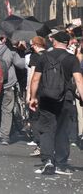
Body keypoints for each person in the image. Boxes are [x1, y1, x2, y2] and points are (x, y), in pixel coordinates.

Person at [29, 31, 83, 175]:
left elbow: (35, 79)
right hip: (66, 98)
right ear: (67, 43)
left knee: (47, 129)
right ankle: (60, 163)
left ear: (54, 42)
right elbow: (78, 80)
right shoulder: (72, 59)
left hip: (46, 98)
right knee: (63, 130)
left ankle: (47, 161)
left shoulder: (44, 57)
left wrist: (32, 97)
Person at [26, 36, 47, 156]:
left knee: (35, 117)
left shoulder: (35, 57)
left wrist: (29, 93)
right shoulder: (49, 55)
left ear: (36, 45)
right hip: (48, 89)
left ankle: (39, 144)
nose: (32, 47)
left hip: (37, 90)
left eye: (32, 45)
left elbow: (32, 76)